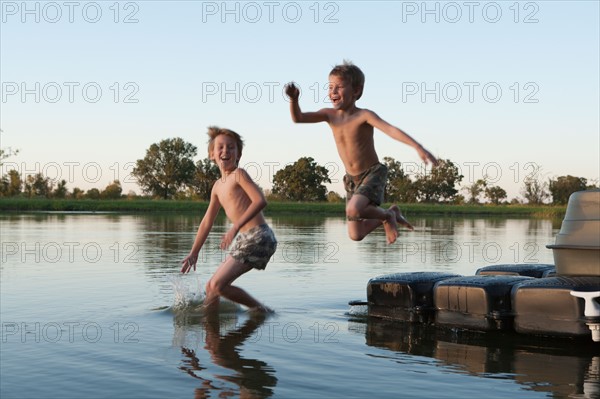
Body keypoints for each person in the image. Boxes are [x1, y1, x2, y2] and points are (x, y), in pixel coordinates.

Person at [285, 61, 438, 245]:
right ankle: (391, 213)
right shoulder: (328, 115)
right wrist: (294, 100)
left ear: (356, 91)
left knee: (352, 210)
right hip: (352, 179)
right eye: (330, 87)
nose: (333, 91)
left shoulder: (364, 115)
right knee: (355, 234)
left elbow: (390, 130)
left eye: (339, 87)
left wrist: (417, 146)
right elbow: (298, 118)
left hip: (372, 173)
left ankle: (387, 216)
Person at [181, 126, 277, 313]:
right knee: (212, 288)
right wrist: (194, 252)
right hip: (247, 238)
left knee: (217, 285)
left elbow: (260, 200)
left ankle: (260, 311)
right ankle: (211, 333)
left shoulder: (239, 175)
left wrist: (235, 228)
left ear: (238, 153)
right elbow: (207, 221)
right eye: (221, 147)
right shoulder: (217, 186)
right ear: (211, 154)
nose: (226, 151)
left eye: (231, 147)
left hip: (259, 236)